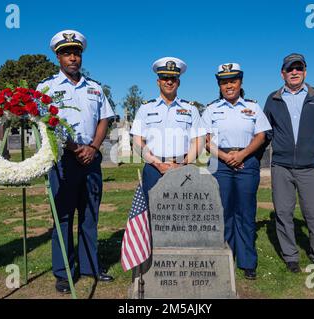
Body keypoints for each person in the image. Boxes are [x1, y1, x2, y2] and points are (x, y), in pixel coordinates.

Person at [37, 30, 115, 293]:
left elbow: (105, 119)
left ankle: (90, 266)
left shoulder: (95, 88)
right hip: (62, 159)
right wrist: (73, 147)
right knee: (63, 217)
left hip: (91, 160)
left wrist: (93, 147)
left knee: (89, 216)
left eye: (76, 53)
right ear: (58, 56)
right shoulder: (46, 88)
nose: (73, 58)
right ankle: (63, 272)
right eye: (67, 53)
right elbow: (45, 123)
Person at [263, 53, 314, 273]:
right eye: (290, 69)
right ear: (283, 73)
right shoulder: (273, 99)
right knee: (283, 213)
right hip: (281, 167)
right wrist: (252, 156)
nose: (294, 72)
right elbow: (266, 132)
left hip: (310, 168)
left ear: (305, 71)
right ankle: (291, 257)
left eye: (298, 68)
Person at [202, 63, 271, 280]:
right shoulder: (211, 109)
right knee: (222, 212)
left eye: (233, 80)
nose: (229, 85)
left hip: (247, 162)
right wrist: (225, 157)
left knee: (245, 212)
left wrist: (241, 156)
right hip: (220, 163)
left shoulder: (253, 107)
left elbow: (261, 135)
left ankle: (247, 261)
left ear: (240, 82)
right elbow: (205, 139)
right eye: (224, 82)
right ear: (219, 85)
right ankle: (224, 257)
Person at [130, 57, 205, 203]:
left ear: (179, 82)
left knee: (182, 215)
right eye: (165, 78)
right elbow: (137, 141)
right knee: (155, 215)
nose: (169, 82)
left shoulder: (191, 109)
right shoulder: (146, 108)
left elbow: (199, 141)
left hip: (183, 167)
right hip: (153, 168)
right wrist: (158, 164)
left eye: (173, 78)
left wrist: (181, 165)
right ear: (158, 81)